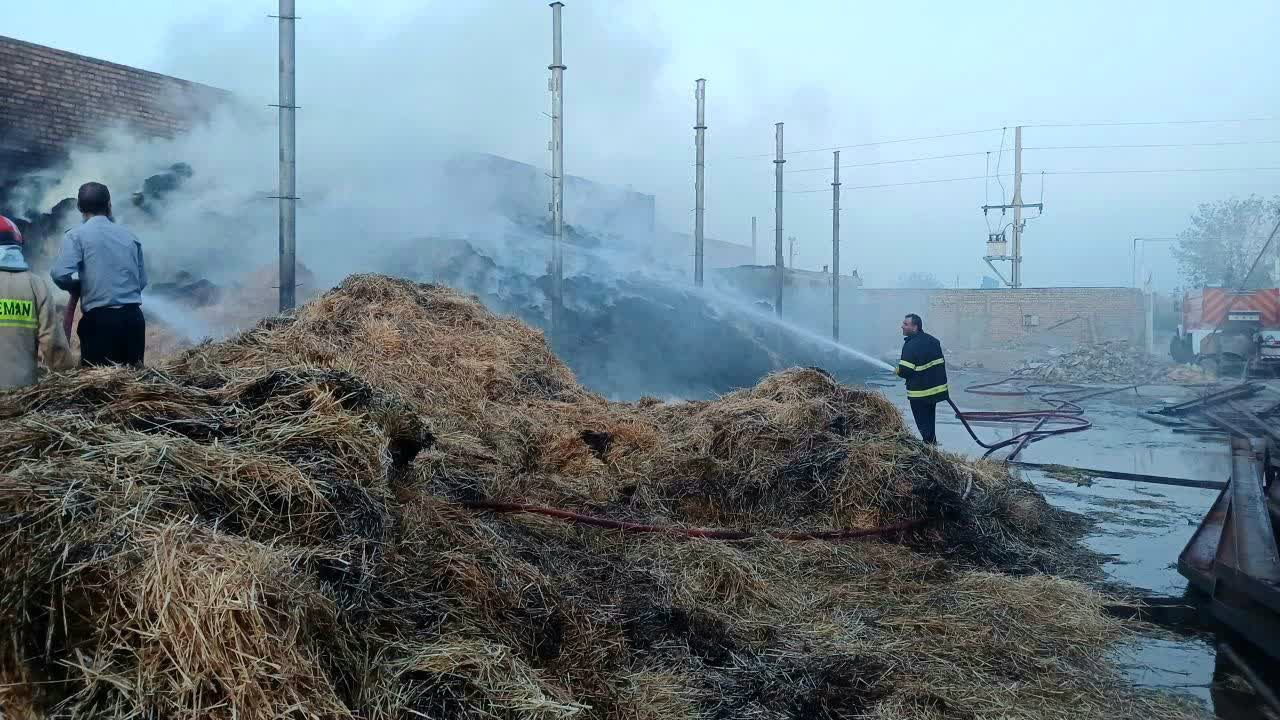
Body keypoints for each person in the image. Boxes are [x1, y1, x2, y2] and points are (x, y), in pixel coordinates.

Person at [51, 182, 148, 367]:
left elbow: (60, 274)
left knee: (99, 390)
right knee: (133, 386)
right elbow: (142, 281)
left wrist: (77, 286)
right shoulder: (130, 236)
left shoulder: (76, 236)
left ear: (80, 207)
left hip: (99, 323)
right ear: (109, 205)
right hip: (134, 321)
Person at [0, 215, 74, 387]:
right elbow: (54, 345)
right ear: (16, 247)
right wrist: (69, 383)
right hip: (20, 397)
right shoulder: (36, 285)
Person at [895, 313, 948, 445]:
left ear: (915, 327)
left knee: (923, 425)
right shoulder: (933, 341)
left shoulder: (910, 345)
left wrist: (898, 371)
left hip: (920, 394)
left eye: (905, 324)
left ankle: (929, 449)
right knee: (930, 423)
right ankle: (932, 447)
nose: (902, 326)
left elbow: (906, 371)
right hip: (935, 392)